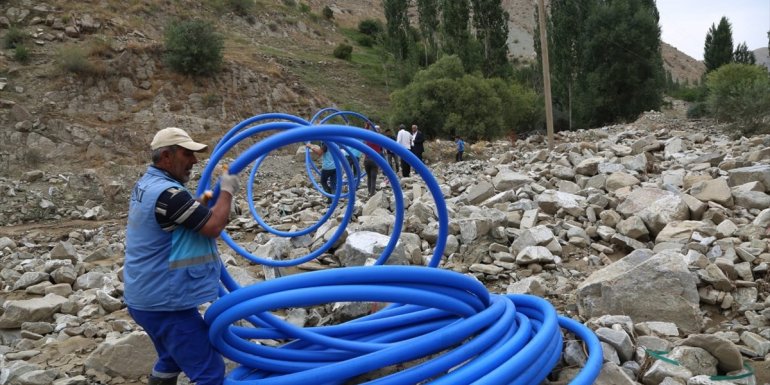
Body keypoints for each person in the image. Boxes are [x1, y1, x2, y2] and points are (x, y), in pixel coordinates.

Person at [124, 127, 241, 385]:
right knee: (209, 372)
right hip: (165, 304)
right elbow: (213, 227)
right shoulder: (168, 194)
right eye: (188, 154)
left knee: (170, 358)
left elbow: (184, 213)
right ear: (166, 156)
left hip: (144, 299)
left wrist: (210, 196)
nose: (194, 161)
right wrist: (228, 190)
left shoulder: (149, 184)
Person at [364, 124, 383, 197]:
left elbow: (364, 133)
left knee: (369, 177)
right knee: (373, 178)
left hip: (367, 160)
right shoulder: (379, 139)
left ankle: (369, 192)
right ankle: (372, 193)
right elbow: (381, 148)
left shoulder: (368, 139)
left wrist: (367, 126)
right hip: (374, 160)